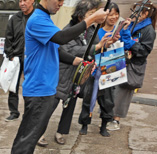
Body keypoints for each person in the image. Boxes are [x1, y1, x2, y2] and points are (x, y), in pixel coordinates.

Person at [5, 0, 106, 154]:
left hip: (43, 84)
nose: (61, 3)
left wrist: (76, 61)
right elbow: (61, 38)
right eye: (58, 0)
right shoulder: (38, 19)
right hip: (39, 85)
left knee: (29, 126)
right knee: (34, 128)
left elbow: (56, 49)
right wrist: (91, 19)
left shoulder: (45, 18)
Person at [45, 0, 114, 145]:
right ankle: (39, 132)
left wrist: (105, 45)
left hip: (78, 75)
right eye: (91, 13)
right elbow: (71, 50)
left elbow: (96, 48)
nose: (94, 16)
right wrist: (96, 47)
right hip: (63, 73)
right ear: (81, 15)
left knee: (70, 104)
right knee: (50, 105)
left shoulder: (92, 30)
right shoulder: (69, 29)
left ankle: (61, 132)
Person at [77, 2, 126, 137]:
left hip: (111, 68)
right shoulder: (96, 31)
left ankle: (104, 125)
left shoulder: (120, 30)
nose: (113, 17)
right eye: (110, 14)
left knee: (108, 100)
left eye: (116, 14)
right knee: (89, 97)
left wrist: (125, 32)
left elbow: (126, 46)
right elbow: (92, 49)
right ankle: (85, 123)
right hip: (95, 69)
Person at [109, 1, 157, 130]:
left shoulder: (149, 30)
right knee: (111, 89)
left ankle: (116, 120)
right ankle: (107, 116)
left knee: (123, 92)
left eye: (137, 11)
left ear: (145, 14)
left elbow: (144, 51)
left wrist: (130, 41)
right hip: (119, 60)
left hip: (133, 65)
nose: (134, 14)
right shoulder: (132, 24)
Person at [4, 0, 33, 121]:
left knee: (30, 85)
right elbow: (8, 37)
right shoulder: (14, 18)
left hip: (31, 57)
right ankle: (14, 111)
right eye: (20, 1)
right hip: (16, 57)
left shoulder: (38, 17)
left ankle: (29, 112)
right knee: (13, 85)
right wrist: (10, 54)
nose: (22, 3)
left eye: (25, 0)